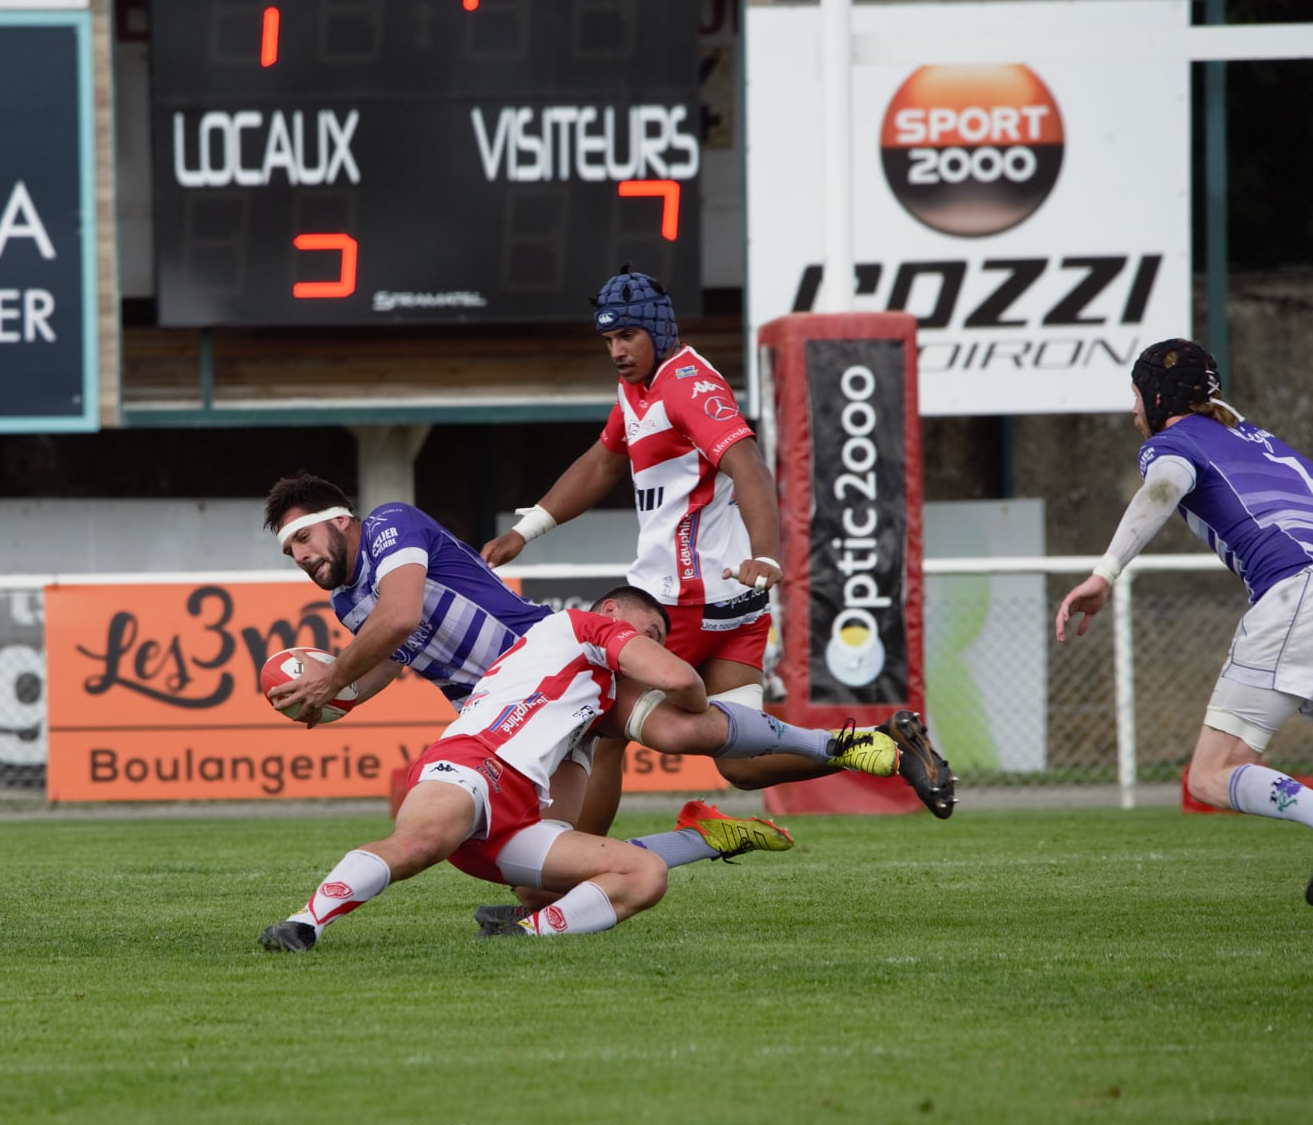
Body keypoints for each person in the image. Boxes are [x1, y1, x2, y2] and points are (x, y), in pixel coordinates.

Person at [480, 265, 954, 829]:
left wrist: (768, 554)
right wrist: (528, 528)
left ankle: (579, 870)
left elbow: (747, 463)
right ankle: (884, 745)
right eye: (608, 339)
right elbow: (603, 461)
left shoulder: (686, 385)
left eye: (627, 336)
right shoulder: (640, 386)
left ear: (659, 329)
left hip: (677, 604)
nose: (617, 351)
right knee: (743, 764)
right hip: (733, 608)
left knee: (601, 731)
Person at [258, 586, 912, 950]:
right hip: (472, 766)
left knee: (641, 876)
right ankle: (303, 924)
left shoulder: (589, 702)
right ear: (613, 615)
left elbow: (568, 819)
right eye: (648, 631)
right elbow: (681, 681)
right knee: (419, 843)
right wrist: (678, 682)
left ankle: (688, 846)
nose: (649, 644)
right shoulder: (578, 628)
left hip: (513, 825)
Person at [262, 472, 794, 866]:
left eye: (303, 538)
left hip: (545, 666)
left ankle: (836, 743)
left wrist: (332, 677)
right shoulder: (346, 601)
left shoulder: (389, 524)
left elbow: (399, 617)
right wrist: (339, 697)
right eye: (289, 551)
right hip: (499, 717)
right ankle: (701, 838)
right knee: (544, 873)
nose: (300, 556)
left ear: (339, 519)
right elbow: (391, 654)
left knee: (680, 733)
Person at [1055, 339, 1313, 906]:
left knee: (1212, 774)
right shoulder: (1255, 437)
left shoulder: (1174, 443)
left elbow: (1164, 487)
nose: (1133, 411)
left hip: (1306, 584)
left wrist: (1105, 573)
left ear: (1157, 397)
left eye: (1136, 396)